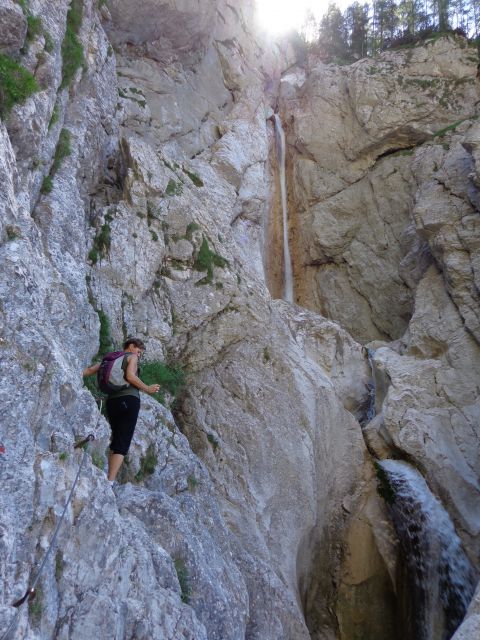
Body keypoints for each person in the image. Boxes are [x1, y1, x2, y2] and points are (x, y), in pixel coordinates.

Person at [83, 337, 160, 482]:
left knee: (116, 437)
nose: (139, 355)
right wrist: (147, 388)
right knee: (122, 441)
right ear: (131, 347)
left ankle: (109, 477)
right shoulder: (131, 357)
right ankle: (110, 481)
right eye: (138, 351)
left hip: (112, 402)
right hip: (129, 400)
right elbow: (130, 376)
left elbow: (90, 370)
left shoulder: (110, 359)